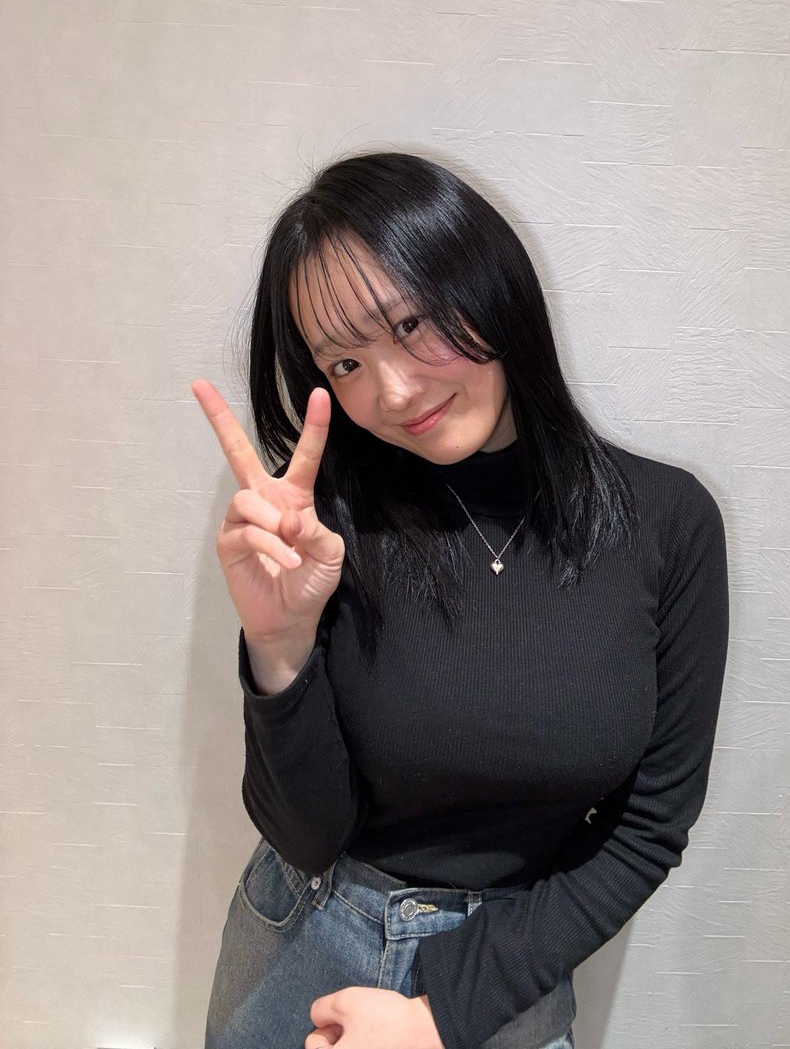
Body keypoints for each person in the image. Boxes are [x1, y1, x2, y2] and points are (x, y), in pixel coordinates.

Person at [192, 150, 730, 1049]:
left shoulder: (668, 524)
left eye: (410, 324)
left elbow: (648, 829)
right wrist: (278, 648)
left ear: (488, 283)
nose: (394, 391)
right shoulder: (325, 523)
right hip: (303, 946)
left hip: (505, 975)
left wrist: (439, 1015)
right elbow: (306, 835)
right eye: (346, 362)